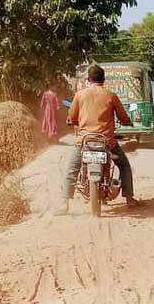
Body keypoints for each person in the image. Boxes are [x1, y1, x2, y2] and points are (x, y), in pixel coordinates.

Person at [57, 64, 138, 214]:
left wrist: (71, 121)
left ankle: (64, 203)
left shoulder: (79, 95)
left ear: (89, 79)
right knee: (124, 166)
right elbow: (123, 117)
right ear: (103, 79)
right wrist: (127, 122)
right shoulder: (111, 95)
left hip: (84, 141)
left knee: (72, 169)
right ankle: (129, 199)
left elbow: (72, 117)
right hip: (107, 141)